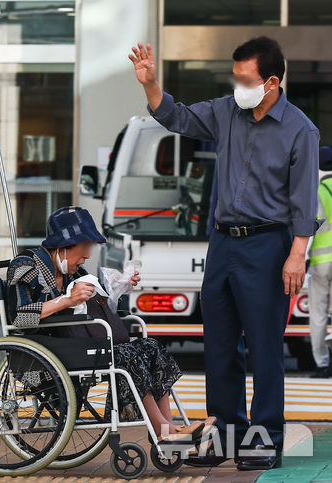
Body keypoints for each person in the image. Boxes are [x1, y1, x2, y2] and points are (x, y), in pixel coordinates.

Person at [129, 37, 319, 470]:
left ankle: (264, 441)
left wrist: (297, 254)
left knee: (266, 346)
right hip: (222, 244)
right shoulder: (225, 112)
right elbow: (175, 116)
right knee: (218, 344)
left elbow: (305, 199)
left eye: (245, 79)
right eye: (234, 77)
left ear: (271, 82)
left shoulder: (300, 130)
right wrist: (151, 85)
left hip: (268, 245)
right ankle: (226, 435)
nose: (237, 86)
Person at [7, 206, 214, 442]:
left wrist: (120, 287)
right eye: (84, 249)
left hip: (75, 345)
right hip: (45, 351)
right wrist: (67, 299)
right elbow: (19, 317)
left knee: (150, 347)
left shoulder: (74, 273)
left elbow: (100, 308)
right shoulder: (26, 265)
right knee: (126, 356)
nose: (87, 256)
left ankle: (170, 426)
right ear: (63, 247)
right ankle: (162, 431)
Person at [307, 146, 332, 378]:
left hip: (322, 261)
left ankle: (322, 363)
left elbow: (309, 228)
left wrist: (300, 258)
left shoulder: (315, 190)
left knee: (318, 313)